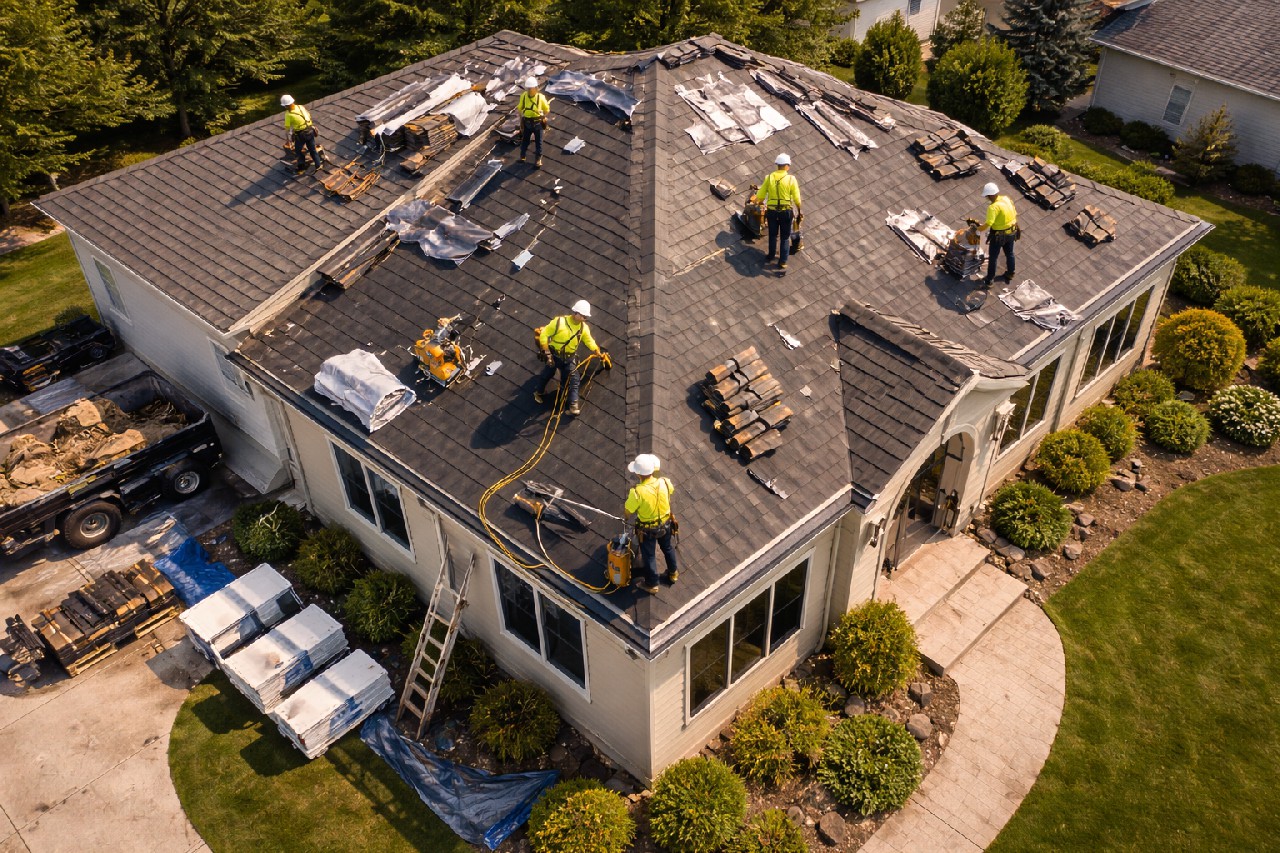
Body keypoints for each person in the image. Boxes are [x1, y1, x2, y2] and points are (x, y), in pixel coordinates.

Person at [535, 299, 607, 416]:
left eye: (585, 317)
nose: (584, 318)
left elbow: (588, 340)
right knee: (547, 374)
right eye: (583, 316)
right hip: (554, 356)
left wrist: (596, 350)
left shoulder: (583, 328)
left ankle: (573, 405)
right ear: (576, 313)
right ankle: (539, 392)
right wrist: (547, 353)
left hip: (569, 358)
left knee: (574, 379)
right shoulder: (559, 322)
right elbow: (544, 334)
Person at [624, 454, 678, 594]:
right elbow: (670, 491)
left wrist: (626, 517)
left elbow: (628, 511)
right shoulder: (665, 482)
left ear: (638, 473)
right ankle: (673, 574)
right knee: (667, 548)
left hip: (648, 530)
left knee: (649, 556)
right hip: (666, 524)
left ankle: (652, 584)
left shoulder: (637, 492)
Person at [754, 153, 802, 271]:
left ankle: (770, 255)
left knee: (773, 235)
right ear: (786, 166)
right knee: (785, 237)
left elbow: (760, 196)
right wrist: (799, 211)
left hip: (772, 211)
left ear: (778, 165)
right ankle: (783, 262)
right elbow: (797, 199)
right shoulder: (791, 179)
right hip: (786, 212)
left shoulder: (769, 178)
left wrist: (756, 204)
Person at [977, 181, 1018, 287]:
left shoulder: (993, 207)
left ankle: (989, 280)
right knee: (1010, 253)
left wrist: (979, 229)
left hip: (999, 236)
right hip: (1012, 232)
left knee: (993, 257)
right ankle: (1010, 273)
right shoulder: (1006, 199)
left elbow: (989, 223)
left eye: (987, 196)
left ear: (990, 195)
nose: (987, 198)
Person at [281, 95, 324, 174]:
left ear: (287, 105)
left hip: (301, 135)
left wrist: (288, 140)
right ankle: (318, 165)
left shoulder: (288, 114)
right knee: (312, 150)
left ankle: (301, 168)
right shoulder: (301, 107)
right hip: (310, 131)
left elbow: (288, 129)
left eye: (285, 106)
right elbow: (308, 117)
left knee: (298, 151)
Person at [518, 77, 551, 168]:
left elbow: (546, 109)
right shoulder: (524, 96)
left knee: (538, 142)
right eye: (528, 89)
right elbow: (520, 109)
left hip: (537, 123)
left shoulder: (540, 98)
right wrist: (521, 122)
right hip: (528, 122)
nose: (529, 90)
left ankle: (537, 160)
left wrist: (542, 116)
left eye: (530, 88)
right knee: (526, 140)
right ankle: (523, 156)